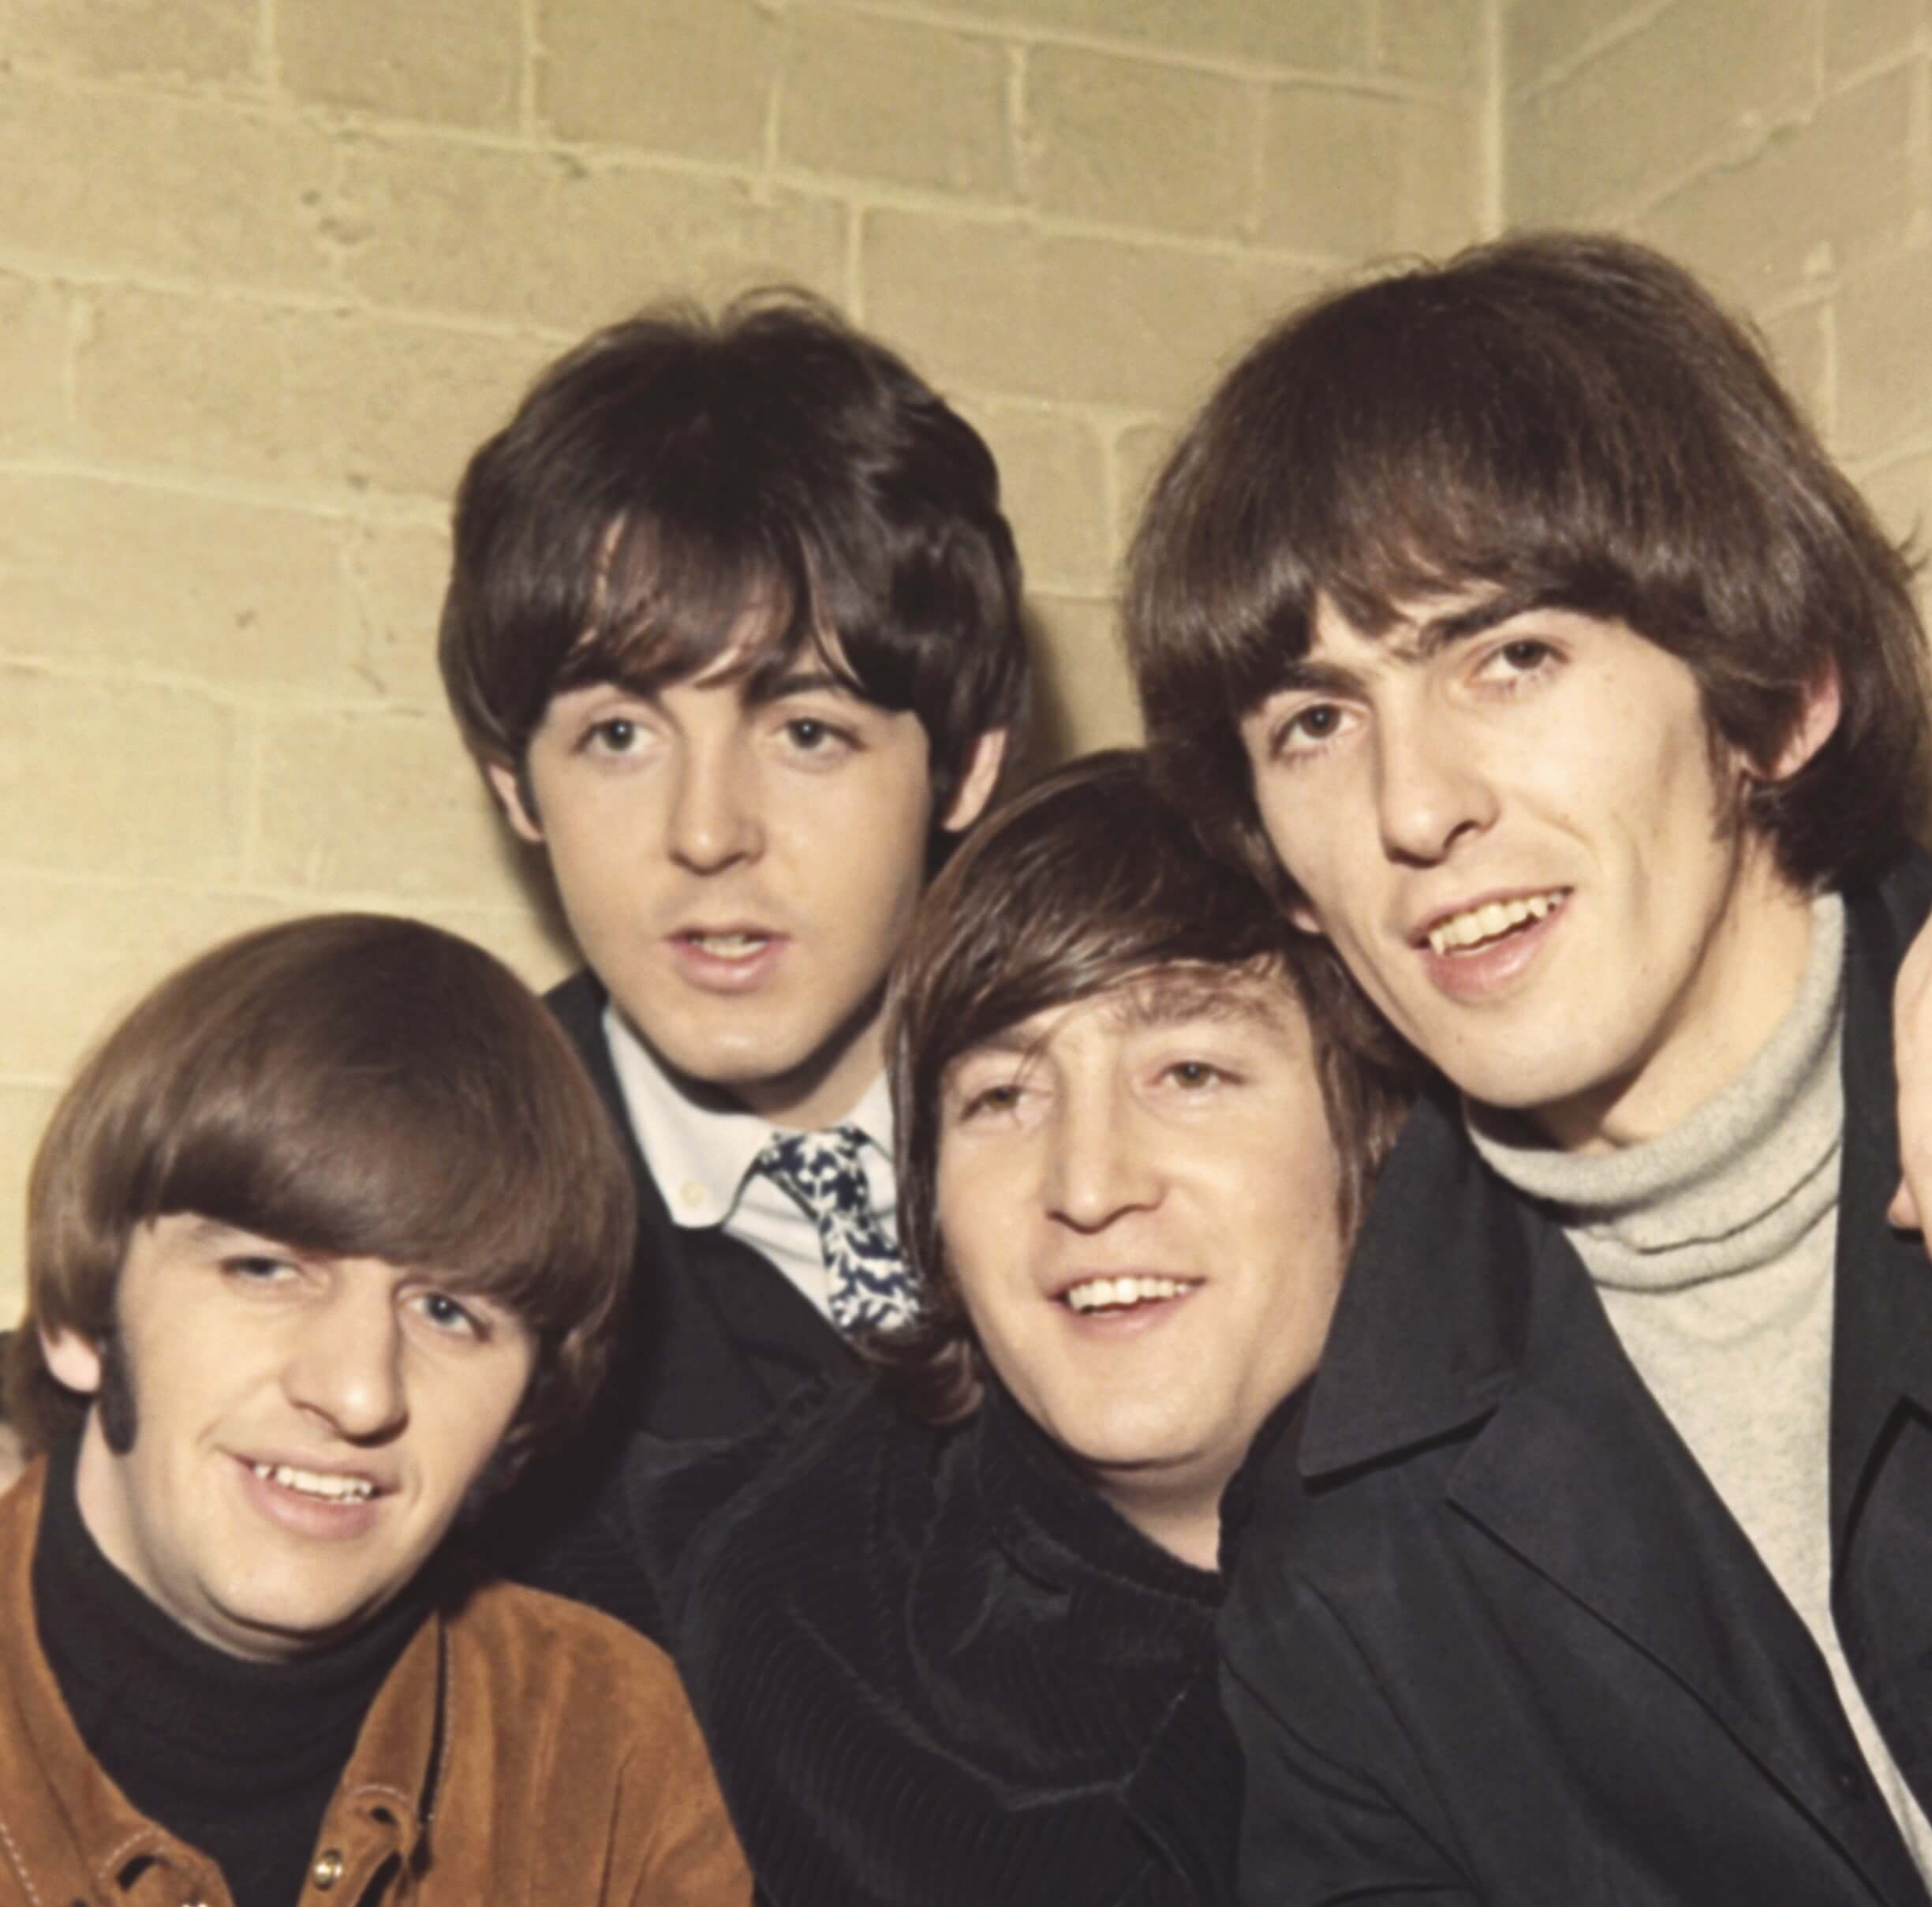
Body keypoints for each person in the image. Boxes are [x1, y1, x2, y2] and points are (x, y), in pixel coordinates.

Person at [1127, 230, 1932, 1905]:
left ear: (1775, 695)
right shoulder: (1336, 1541)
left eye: (1509, 655)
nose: (1414, 805)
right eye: (1315, 721)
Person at [531, 750, 1414, 1906]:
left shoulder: (1568, 1583)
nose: (1089, 1183)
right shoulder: (748, 1589)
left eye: (1189, 1072)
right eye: (1003, 1096)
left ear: (1376, 1133)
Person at [0, 914, 749, 1905]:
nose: (359, 1392)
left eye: (448, 1311)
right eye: (265, 1268)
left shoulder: (608, 1746)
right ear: (81, 1320)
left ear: (524, 1410)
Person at [438, 291, 1029, 1534]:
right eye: (618, 737)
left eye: (807, 731)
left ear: (965, 769)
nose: (708, 832)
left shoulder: (1119, 1157)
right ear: (517, 789)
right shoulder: (430, 1211)